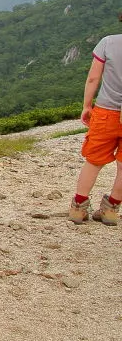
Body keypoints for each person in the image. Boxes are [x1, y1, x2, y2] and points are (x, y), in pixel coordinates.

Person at [69, 13, 122, 224]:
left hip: (106, 112)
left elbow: (93, 78)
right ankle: (111, 210)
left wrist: (86, 105)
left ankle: (78, 208)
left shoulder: (107, 43)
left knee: (93, 161)